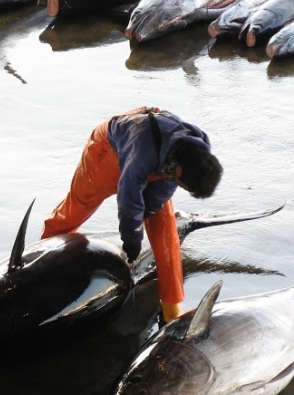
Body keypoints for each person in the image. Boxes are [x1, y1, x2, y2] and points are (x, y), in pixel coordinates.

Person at [41, 106, 223, 324]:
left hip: (158, 148)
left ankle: (170, 304)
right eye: (184, 186)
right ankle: (43, 258)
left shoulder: (197, 150)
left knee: (165, 228)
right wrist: (132, 240)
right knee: (77, 207)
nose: (182, 188)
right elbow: (129, 200)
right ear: (180, 172)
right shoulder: (141, 154)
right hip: (108, 150)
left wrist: (151, 210)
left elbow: (162, 190)